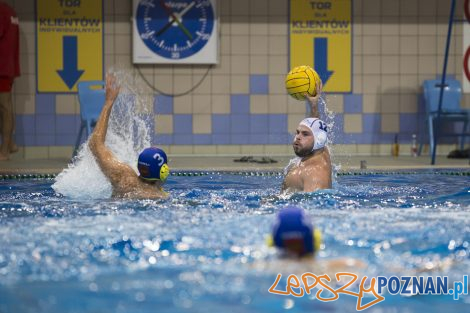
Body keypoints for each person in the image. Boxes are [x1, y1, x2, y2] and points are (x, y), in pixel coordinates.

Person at [88, 74, 169, 199]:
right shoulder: (160, 197)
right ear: (163, 172)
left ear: (139, 167)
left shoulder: (124, 178)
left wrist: (108, 102)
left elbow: (95, 144)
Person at [282, 85, 332, 193]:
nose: (298, 137)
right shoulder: (321, 152)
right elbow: (316, 128)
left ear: (318, 141)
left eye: (305, 134)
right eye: (297, 132)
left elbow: (315, 207)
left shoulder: (315, 174)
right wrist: (313, 105)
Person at [0, 1, 20, 161]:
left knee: (5, 107)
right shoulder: (10, 10)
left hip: (2, 67)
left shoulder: (1, 11)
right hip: (9, 66)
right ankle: (10, 144)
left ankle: (4, 150)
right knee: (5, 107)